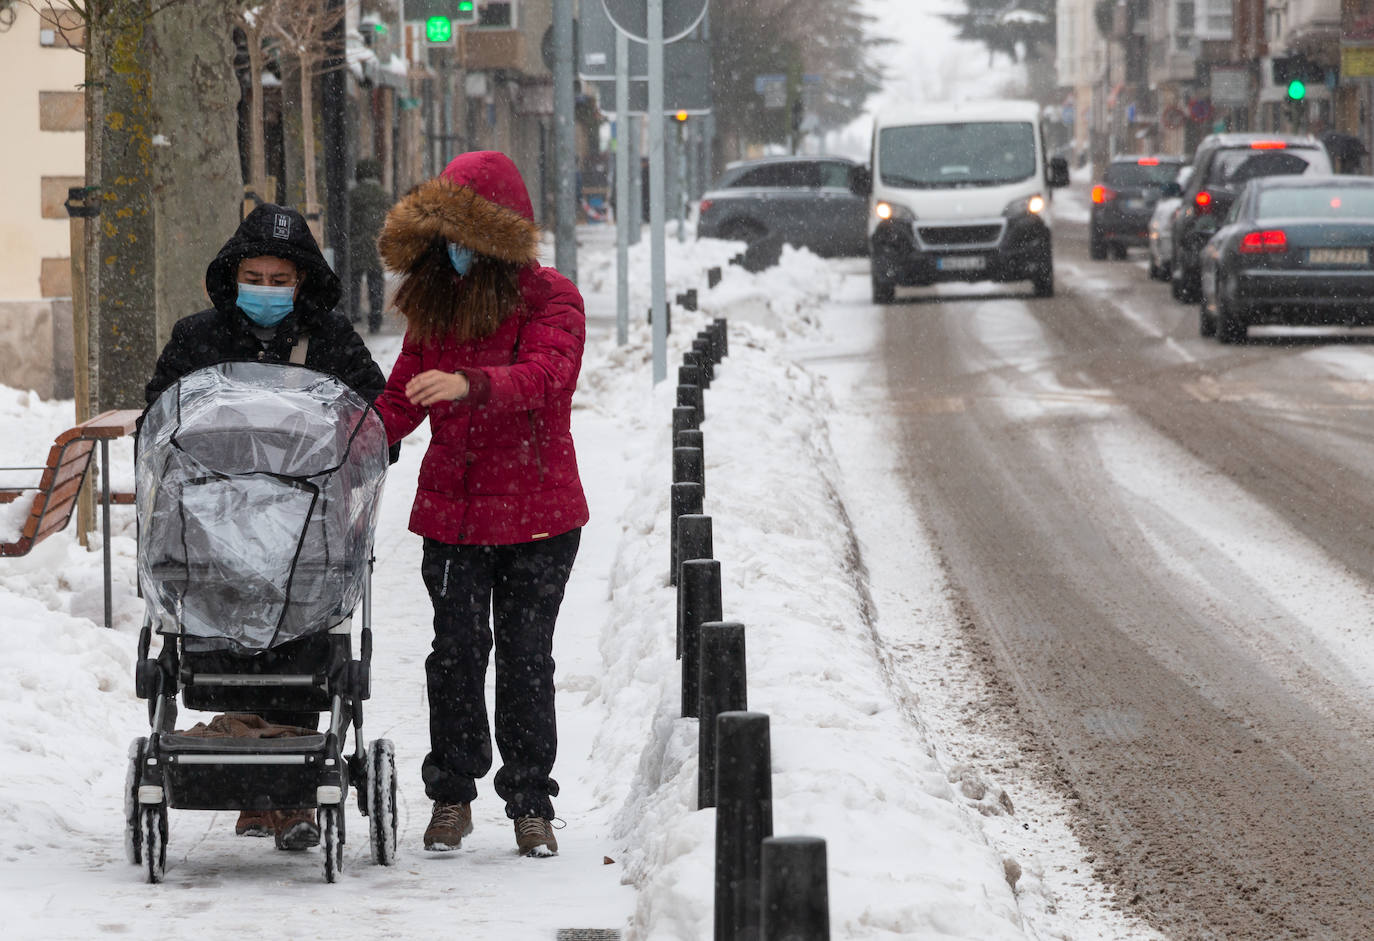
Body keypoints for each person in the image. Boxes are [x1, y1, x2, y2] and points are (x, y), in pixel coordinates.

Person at [144, 202, 391, 851]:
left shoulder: (330, 338)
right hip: (213, 527)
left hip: (305, 525)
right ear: (234, 275)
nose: (266, 289)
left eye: (279, 279)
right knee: (237, 617)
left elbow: (373, 408)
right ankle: (268, 775)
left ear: (302, 281)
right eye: (254, 275)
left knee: (305, 620)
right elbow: (159, 413)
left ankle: (270, 777)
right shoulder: (198, 336)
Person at [371, 150, 588, 857]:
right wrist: (351, 440)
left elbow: (548, 374)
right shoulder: (438, 303)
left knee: (527, 659)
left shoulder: (553, 299)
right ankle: (451, 794)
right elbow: (401, 393)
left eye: (466, 239)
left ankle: (530, 801)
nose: (455, 254)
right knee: (455, 656)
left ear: (498, 239)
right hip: (456, 515)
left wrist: (472, 384)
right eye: (446, 239)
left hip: (537, 514)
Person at [348, 158, 391, 333]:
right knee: (376, 283)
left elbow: (347, 220)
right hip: (376, 246)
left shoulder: (353, 195)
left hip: (356, 245)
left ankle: (353, 314)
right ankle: (375, 319)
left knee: (353, 282)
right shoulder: (384, 195)